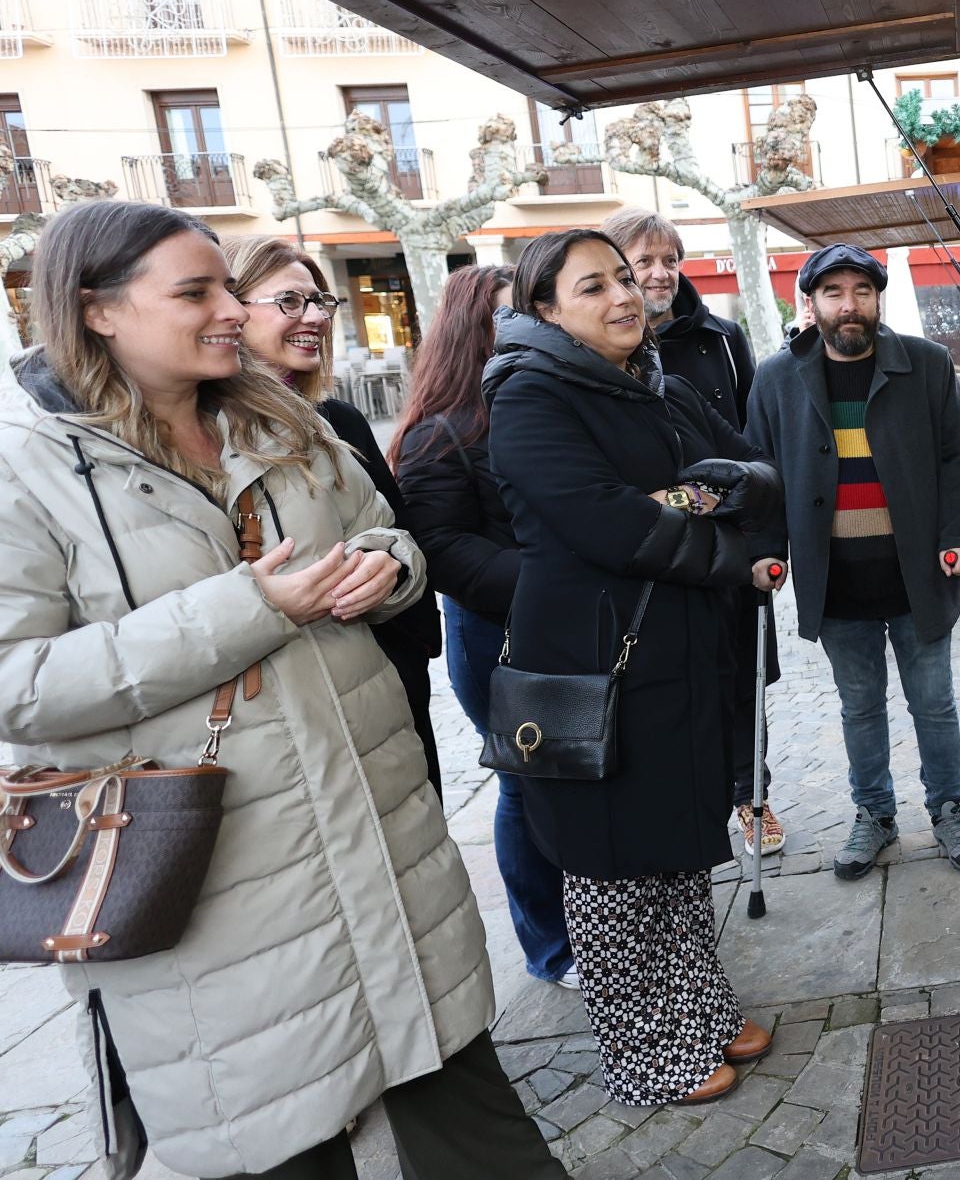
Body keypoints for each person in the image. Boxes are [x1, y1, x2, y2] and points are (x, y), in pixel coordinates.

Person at [0, 202, 560, 1179]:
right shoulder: (24, 468)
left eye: (227, 284)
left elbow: (384, 528)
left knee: (479, 1127)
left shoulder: (273, 411)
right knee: (286, 1141)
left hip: (377, 851)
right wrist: (252, 605)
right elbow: (19, 684)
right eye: (197, 292)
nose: (232, 309)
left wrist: (387, 566)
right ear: (97, 310)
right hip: (212, 893)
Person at [484, 229, 782, 1106]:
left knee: (677, 847)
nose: (623, 296)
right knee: (614, 867)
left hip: (675, 643)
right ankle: (649, 1051)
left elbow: (753, 468)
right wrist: (714, 529)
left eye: (624, 277)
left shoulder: (661, 380)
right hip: (590, 659)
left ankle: (699, 1008)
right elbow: (609, 526)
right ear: (544, 307)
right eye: (592, 287)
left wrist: (691, 498)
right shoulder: (528, 394)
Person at [745, 243, 960, 881]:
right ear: (811, 304)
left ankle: (947, 808)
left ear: (877, 299)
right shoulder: (777, 378)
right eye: (834, 293)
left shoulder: (929, 366)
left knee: (934, 704)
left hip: (919, 572)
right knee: (860, 707)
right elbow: (762, 474)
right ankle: (874, 815)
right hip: (838, 581)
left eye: (861, 291)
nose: (849, 305)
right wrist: (765, 552)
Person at [391, 264, 576, 989]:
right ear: (473, 328)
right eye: (508, 316)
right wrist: (559, 585)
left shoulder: (548, 405)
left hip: (564, 625)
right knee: (526, 783)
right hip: (495, 635)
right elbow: (445, 551)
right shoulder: (441, 431)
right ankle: (550, 946)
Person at [225, 235, 445, 793]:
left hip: (382, 677)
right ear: (231, 308)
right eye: (290, 302)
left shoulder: (338, 418)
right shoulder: (203, 434)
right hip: (282, 707)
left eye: (320, 301)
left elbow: (400, 535)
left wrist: (387, 563)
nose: (315, 318)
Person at [603, 207, 785, 855]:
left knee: (742, 679)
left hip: (727, 548)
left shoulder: (722, 339)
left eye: (668, 259)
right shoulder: (598, 358)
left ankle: (751, 794)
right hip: (656, 559)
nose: (659, 273)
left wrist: (763, 544)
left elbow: (750, 450)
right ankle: (695, 801)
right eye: (643, 261)